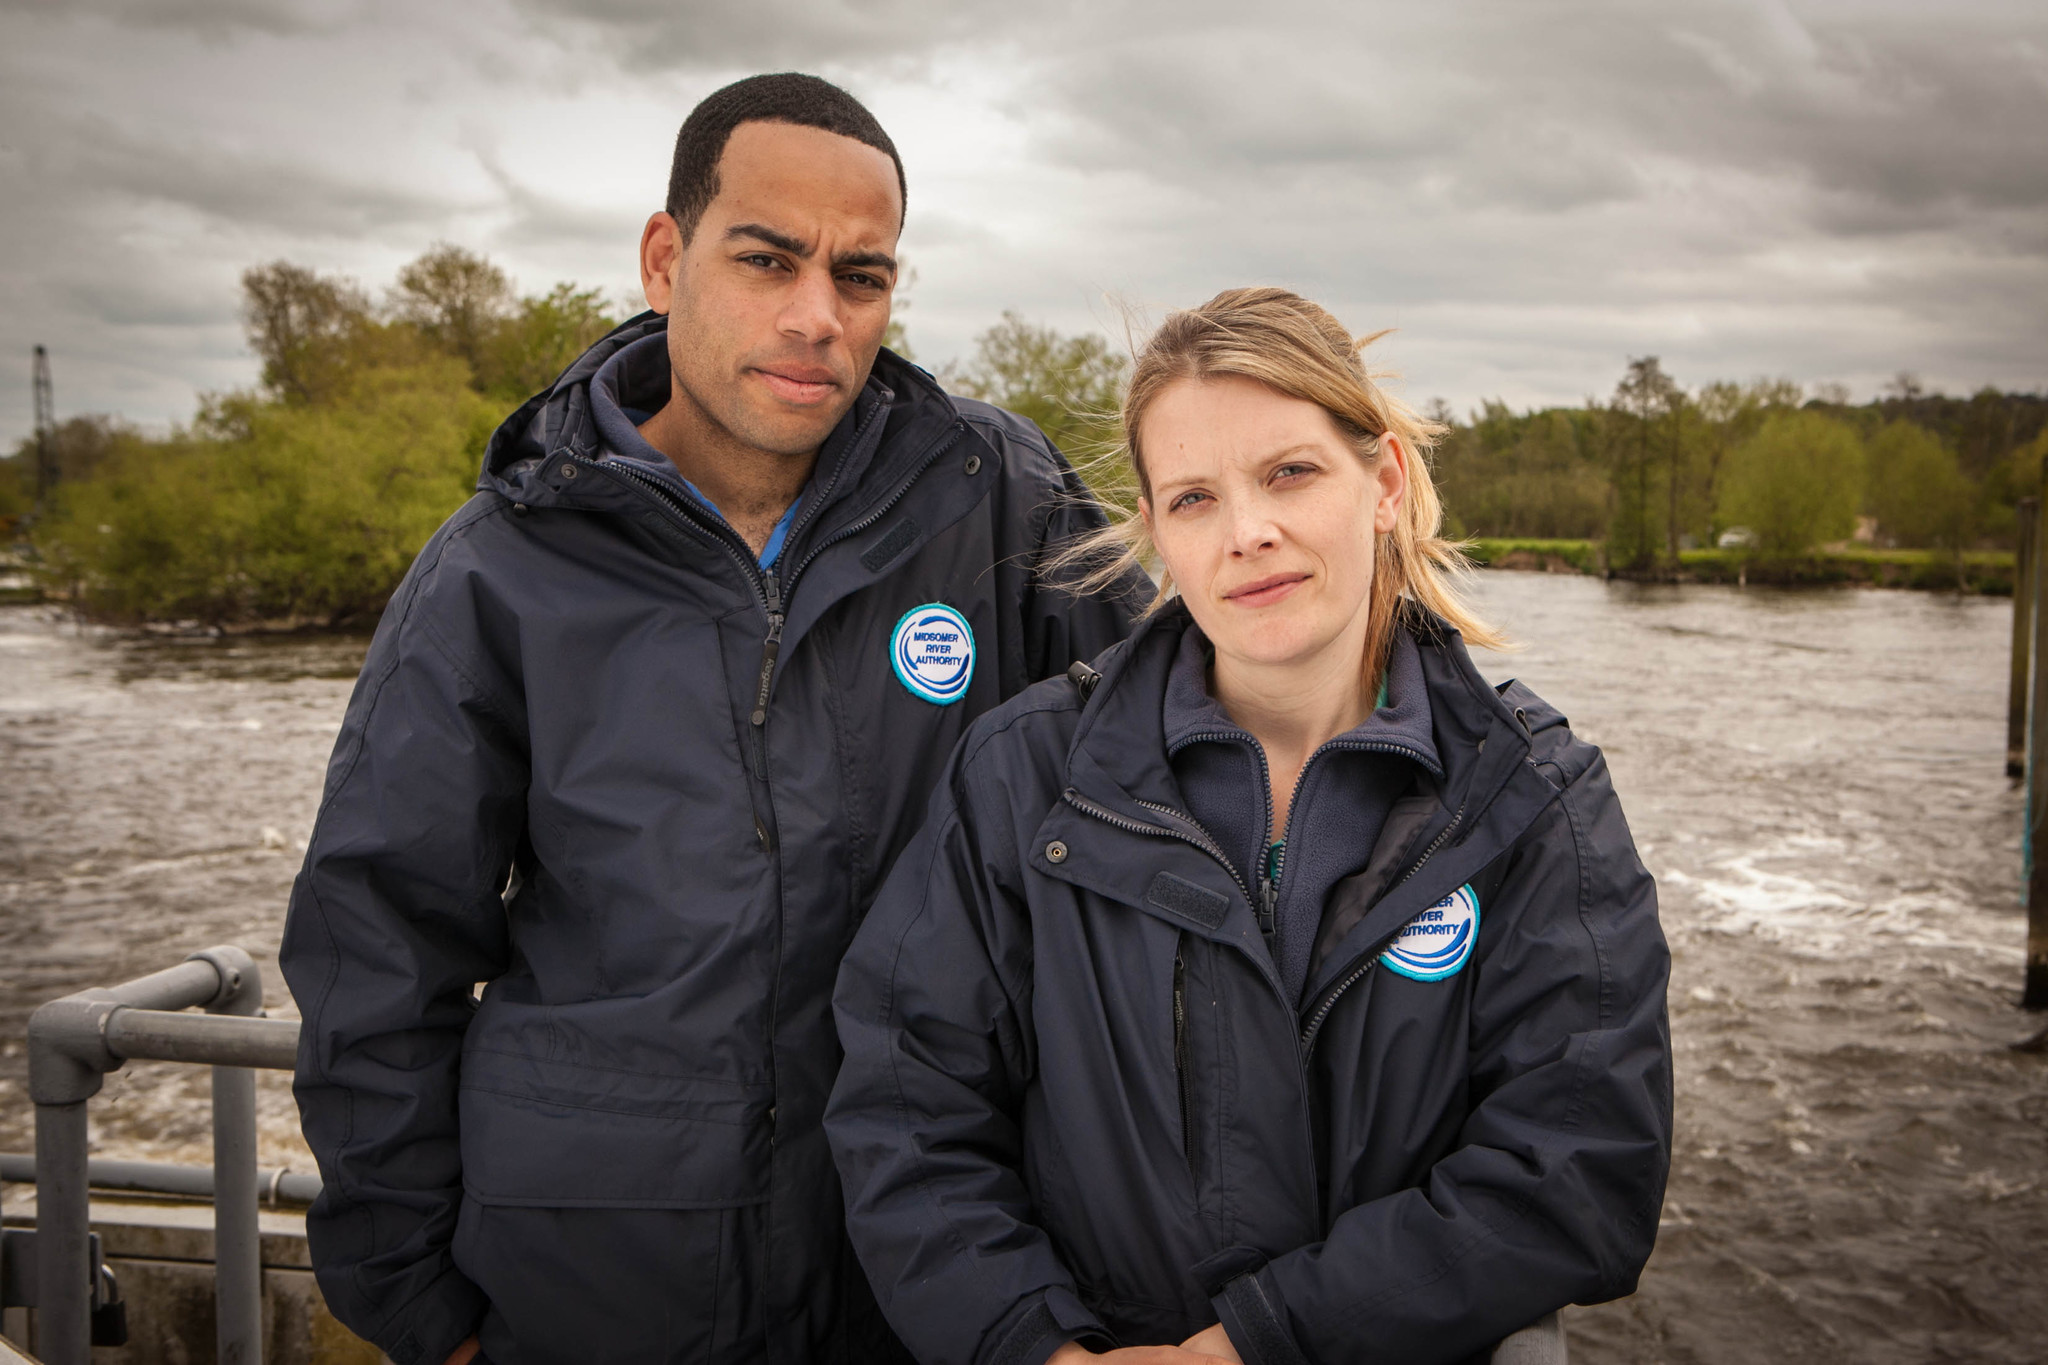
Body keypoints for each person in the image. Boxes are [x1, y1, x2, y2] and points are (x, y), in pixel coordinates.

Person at [280, 73, 1148, 1365]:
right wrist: (419, 1302)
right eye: (767, 259)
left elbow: (1188, 760)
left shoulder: (997, 499)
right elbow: (377, 946)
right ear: (664, 256)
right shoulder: (499, 568)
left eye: (861, 276)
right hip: (601, 1280)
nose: (817, 318)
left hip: (943, 1265)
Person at [826, 288, 1673, 1365]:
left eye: (1288, 473)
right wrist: (1029, 1344)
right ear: (1152, 539)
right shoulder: (1024, 774)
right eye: (1191, 499)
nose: (1247, 533)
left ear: (1383, 481)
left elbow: (1579, 1167)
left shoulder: (1531, 798)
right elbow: (906, 1105)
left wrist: (1256, 1345)